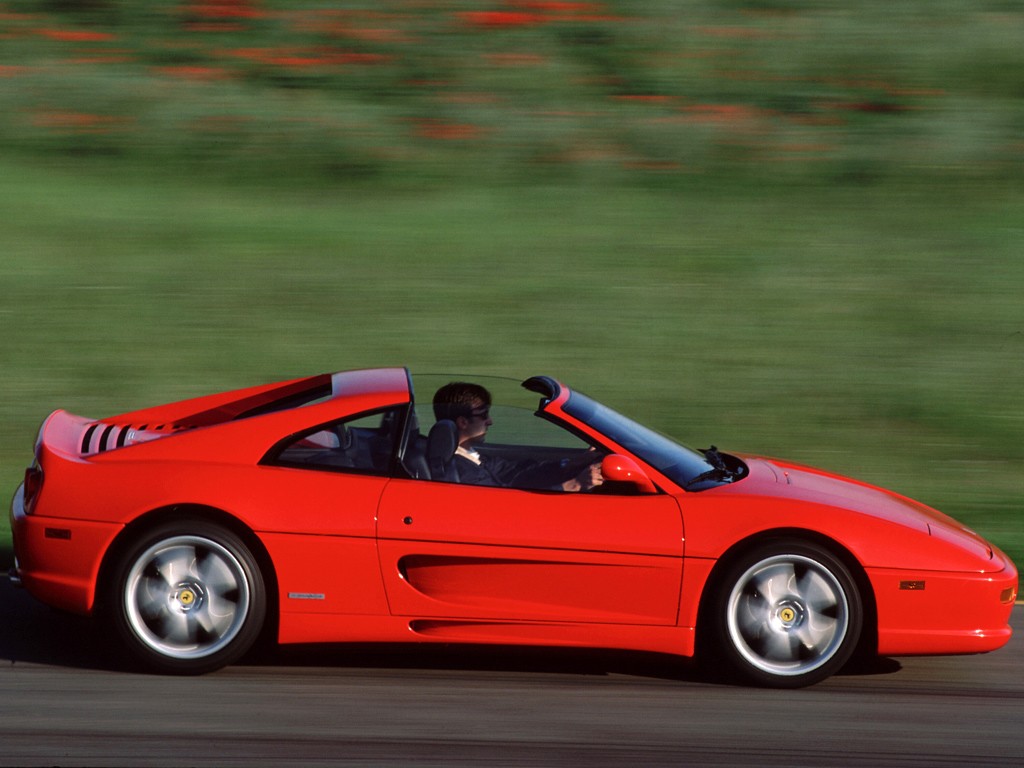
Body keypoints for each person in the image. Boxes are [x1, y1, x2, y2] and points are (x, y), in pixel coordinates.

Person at [432, 382, 603, 491]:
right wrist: (575, 485)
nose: (490, 421)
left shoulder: (471, 455)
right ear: (462, 422)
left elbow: (516, 473)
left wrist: (571, 464)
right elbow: (507, 507)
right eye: (484, 415)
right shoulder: (463, 473)